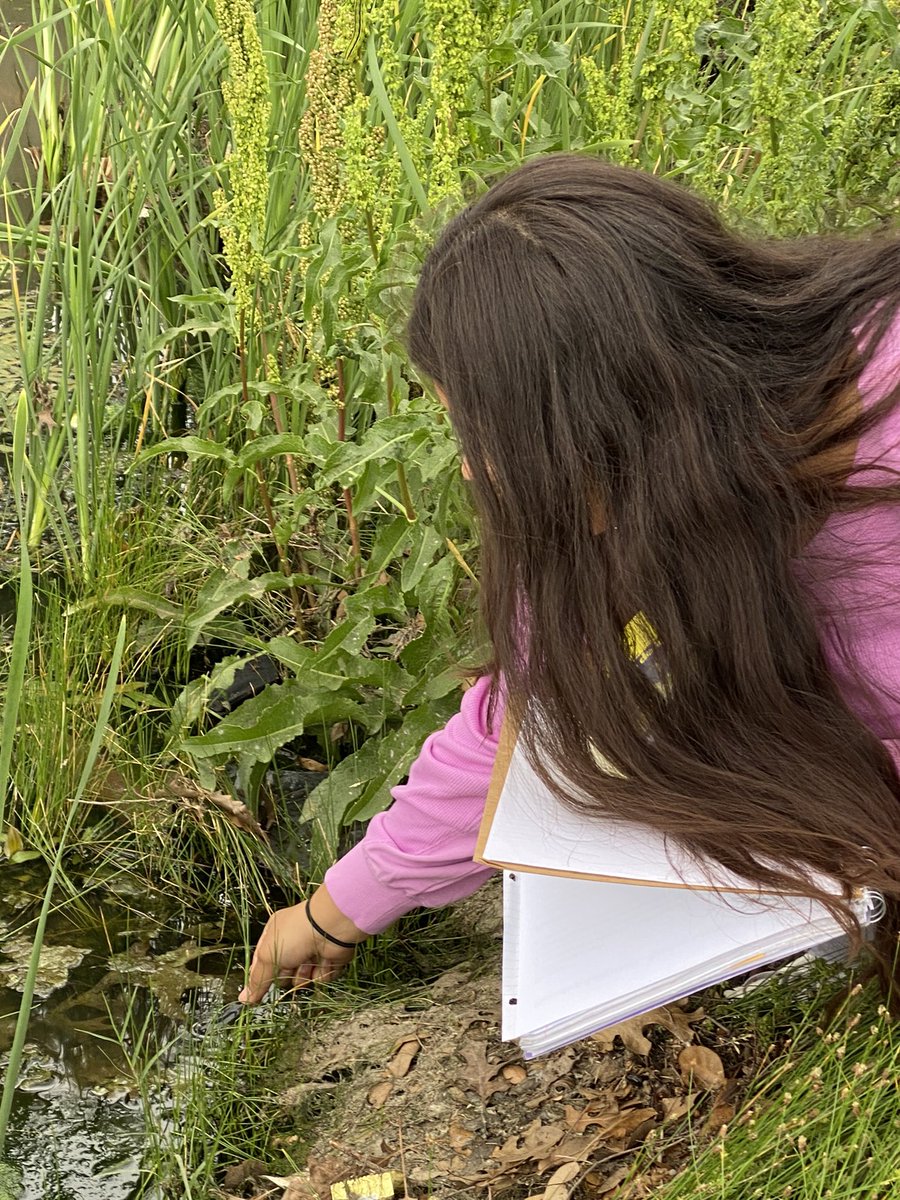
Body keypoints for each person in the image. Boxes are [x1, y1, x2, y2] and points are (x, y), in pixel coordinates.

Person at [239, 153, 900, 1006]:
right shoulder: (646, 497)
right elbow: (526, 714)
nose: (472, 471)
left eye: (485, 436)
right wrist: (334, 912)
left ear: (606, 417)